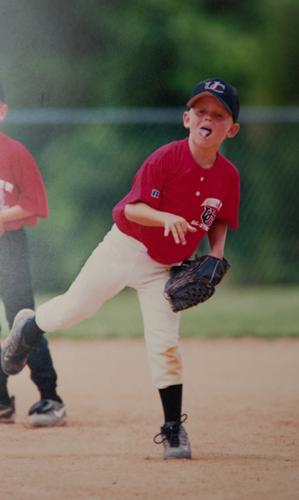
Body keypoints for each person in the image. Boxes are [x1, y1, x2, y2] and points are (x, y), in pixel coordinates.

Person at [1, 77, 240, 457]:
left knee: (165, 346)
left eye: (218, 114)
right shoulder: (165, 159)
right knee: (73, 309)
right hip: (124, 248)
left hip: (165, 267)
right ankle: (28, 327)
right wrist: (165, 219)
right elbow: (131, 208)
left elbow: (222, 216)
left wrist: (216, 253)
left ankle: (173, 428)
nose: (207, 118)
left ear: (232, 128)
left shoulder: (228, 176)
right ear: (186, 119)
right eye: (200, 111)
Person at [0, 81, 66, 427]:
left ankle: (49, 396)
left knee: (22, 319)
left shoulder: (14, 153)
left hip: (8, 245)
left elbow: (34, 204)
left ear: (3, 111)